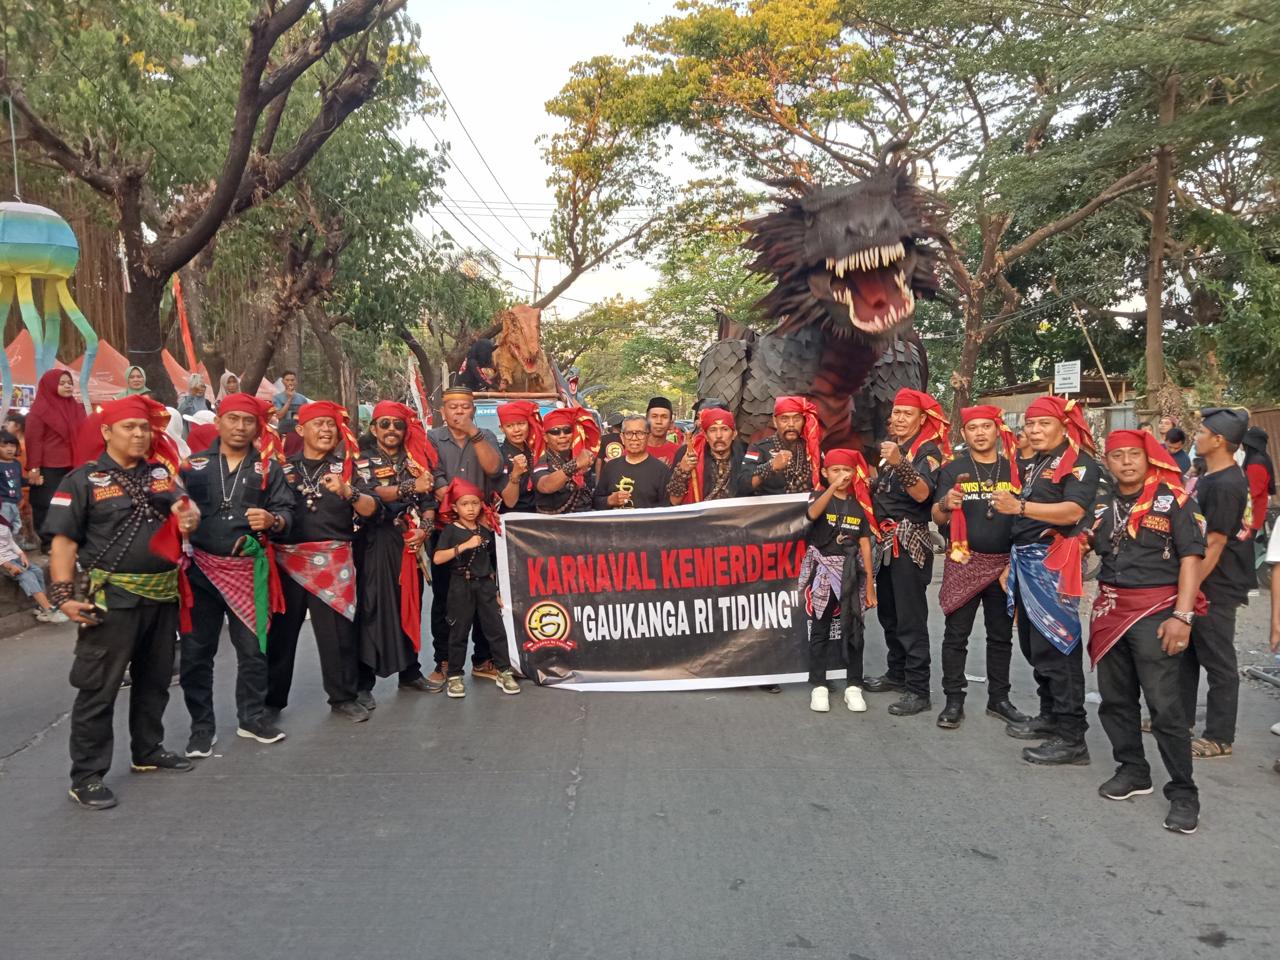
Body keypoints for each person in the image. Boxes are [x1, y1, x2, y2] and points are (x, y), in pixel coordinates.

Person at [46, 395, 201, 809]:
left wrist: (188, 516)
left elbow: (186, 508)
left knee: (155, 680)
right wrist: (62, 598)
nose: (138, 434)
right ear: (106, 433)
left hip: (161, 595)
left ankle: (147, 750)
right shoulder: (81, 481)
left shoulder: (159, 475)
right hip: (111, 599)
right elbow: (62, 543)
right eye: (129, 427)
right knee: (99, 686)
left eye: (143, 428)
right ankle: (87, 775)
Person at [1088, 429, 1204, 834]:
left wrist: (1183, 616)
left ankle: (1184, 793)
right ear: (1108, 461)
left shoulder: (1174, 500)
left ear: (1147, 456)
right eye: (1117, 456)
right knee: (1115, 699)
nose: (1126, 462)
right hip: (1109, 608)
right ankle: (1133, 770)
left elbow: (1191, 559)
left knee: (1164, 707)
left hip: (1157, 610)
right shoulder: (1101, 501)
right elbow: (1086, 544)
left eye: (1133, 454)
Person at [179, 393, 294, 758]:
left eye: (248, 421)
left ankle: (252, 718)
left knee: (253, 651)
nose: (240, 427)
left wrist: (273, 520)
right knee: (197, 653)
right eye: (233, 419)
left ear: (257, 426)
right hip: (200, 570)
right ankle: (202, 727)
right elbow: (170, 509)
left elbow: (287, 511)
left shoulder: (268, 467)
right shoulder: (191, 466)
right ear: (219, 422)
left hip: (248, 572)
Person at [991, 395, 1100, 765]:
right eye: (1031, 425)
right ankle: (1050, 715)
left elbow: (1073, 510)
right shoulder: (1038, 463)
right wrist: (1011, 559)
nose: (1035, 431)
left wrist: (1019, 506)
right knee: (1034, 646)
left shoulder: (1080, 464)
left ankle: (1072, 737)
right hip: (1025, 561)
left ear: (1063, 426)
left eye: (1044, 424)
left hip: (1054, 564)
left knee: (1059, 646)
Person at [267, 401, 378, 722]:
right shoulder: (280, 467)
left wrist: (350, 493)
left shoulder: (349, 468)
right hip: (287, 558)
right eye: (319, 424)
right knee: (281, 635)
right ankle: (271, 700)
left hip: (333, 558)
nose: (327, 430)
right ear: (301, 430)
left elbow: (373, 510)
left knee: (338, 634)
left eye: (331, 425)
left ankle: (343, 696)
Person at [931, 405, 1029, 730]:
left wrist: (1013, 562)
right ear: (965, 433)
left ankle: (999, 700)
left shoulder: (1014, 469)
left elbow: (1025, 516)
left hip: (1004, 564)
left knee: (1000, 636)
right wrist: (946, 503)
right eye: (974, 428)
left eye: (986, 427)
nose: (980, 433)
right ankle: (953, 700)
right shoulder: (953, 469)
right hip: (963, 561)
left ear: (997, 430)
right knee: (955, 635)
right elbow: (937, 516)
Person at [863, 388, 948, 716]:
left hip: (909, 540)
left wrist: (899, 463)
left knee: (911, 618)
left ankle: (918, 689)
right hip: (885, 540)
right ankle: (896, 673)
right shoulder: (894, 448)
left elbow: (922, 494)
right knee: (890, 614)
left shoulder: (926, 451)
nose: (898, 418)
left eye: (906, 414)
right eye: (896, 412)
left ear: (921, 419)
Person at [1179, 407, 1253, 760]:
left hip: (1217, 584)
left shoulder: (1226, 484)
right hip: (1202, 579)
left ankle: (1220, 736)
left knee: (1219, 660)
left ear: (1219, 440)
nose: (1196, 437)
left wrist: (1190, 589)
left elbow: (1216, 543)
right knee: (1188, 653)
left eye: (1202, 432)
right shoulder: (1211, 475)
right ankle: (1181, 718)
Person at [428, 385, 506, 685]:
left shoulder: (485, 437)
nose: (459, 412)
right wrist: (455, 502)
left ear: (473, 409)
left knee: (484, 596)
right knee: (445, 599)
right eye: (453, 407)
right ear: (442, 410)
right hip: (446, 529)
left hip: (481, 527)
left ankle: (483, 659)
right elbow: (433, 476)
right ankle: (445, 661)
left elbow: (495, 469)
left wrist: (473, 431)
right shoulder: (433, 438)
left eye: (465, 406)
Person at [359, 400, 438, 695]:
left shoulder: (415, 460)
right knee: (372, 607)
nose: (392, 430)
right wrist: (408, 488)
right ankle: (363, 680)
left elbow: (429, 503)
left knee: (411, 605)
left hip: (410, 545)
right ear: (374, 428)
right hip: (374, 542)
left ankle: (410, 671)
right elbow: (370, 492)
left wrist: (424, 530)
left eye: (398, 425)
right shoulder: (362, 458)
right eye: (385, 424)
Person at [801, 449, 878, 714]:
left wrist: (869, 585)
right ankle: (819, 685)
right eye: (836, 470)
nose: (842, 476)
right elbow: (811, 514)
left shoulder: (858, 505)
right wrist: (831, 487)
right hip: (823, 572)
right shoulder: (819, 497)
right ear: (825, 472)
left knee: (854, 628)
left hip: (851, 573)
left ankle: (853, 685)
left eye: (847, 471)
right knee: (820, 628)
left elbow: (865, 544)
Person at [432, 477, 521, 698]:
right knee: (459, 631)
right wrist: (463, 546)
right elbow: (437, 558)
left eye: (474, 503)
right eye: (464, 504)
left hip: (485, 586)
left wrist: (496, 590)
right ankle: (454, 675)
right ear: (454, 507)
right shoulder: (451, 530)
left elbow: (490, 564)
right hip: (461, 584)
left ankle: (503, 670)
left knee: (495, 629)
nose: (470, 508)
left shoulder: (485, 529)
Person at [27, 369, 87, 551]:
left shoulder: (76, 407)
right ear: (51, 385)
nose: (68, 386)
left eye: (69, 382)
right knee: (47, 504)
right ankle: (49, 542)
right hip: (48, 466)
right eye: (62, 383)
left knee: (73, 503)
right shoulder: (40, 410)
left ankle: (71, 539)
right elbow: (33, 440)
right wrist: (34, 468)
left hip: (73, 464)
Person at [739, 396, 823, 497]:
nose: (791, 424)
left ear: (804, 421)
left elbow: (826, 479)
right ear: (775, 421)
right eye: (784, 419)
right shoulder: (759, 448)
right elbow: (742, 486)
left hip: (807, 509)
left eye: (797, 419)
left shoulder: (811, 449)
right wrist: (770, 466)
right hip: (772, 510)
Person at [667, 407, 746, 504]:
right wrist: (683, 471)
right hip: (701, 517)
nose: (719, 435)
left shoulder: (745, 458)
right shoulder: (689, 454)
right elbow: (674, 501)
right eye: (713, 430)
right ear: (706, 436)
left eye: (724, 429)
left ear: (734, 434)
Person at [595, 415, 673, 509]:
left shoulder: (661, 470)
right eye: (629, 433)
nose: (634, 438)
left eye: (640, 433)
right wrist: (610, 500)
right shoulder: (610, 467)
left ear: (648, 436)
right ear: (622, 437)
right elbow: (595, 502)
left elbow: (667, 509)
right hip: (615, 523)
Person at [533, 407, 599, 514]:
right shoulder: (541, 459)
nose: (562, 436)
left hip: (584, 517)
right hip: (554, 525)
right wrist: (575, 464)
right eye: (555, 432)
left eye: (567, 430)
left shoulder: (580, 454)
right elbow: (545, 486)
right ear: (545, 437)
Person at [0, 515, 66, 621]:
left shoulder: (3, 522)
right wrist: (9, 566)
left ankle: (40, 607)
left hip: (14, 557)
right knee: (27, 576)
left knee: (38, 571)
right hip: (4, 563)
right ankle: (48, 609)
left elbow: (10, 542)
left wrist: (22, 554)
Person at [497, 400, 543, 514]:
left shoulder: (535, 450)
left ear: (528, 424)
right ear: (502, 429)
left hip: (540, 513)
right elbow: (509, 502)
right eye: (509, 426)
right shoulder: (500, 455)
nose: (516, 430)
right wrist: (515, 474)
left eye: (521, 424)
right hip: (514, 518)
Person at [1241, 426, 1274, 537]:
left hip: (1252, 517)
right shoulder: (1257, 459)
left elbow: (1252, 493)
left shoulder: (1256, 463)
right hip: (1252, 515)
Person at [271, 371, 309, 436]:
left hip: (299, 433)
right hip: (283, 432)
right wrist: (289, 399)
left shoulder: (302, 399)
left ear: (296, 381)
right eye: (287, 380)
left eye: (292, 380)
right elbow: (279, 415)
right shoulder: (277, 398)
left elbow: (307, 417)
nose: (290, 382)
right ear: (283, 381)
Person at [645, 397, 681, 465]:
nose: (659, 422)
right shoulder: (634, 448)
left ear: (670, 423)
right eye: (654, 416)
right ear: (646, 420)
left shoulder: (679, 453)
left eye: (664, 417)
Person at [0, 429, 24, 530]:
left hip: (16, 502)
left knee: (16, 527)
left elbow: (19, 481)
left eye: (12, 446)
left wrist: (31, 482)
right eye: (4, 446)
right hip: (3, 504)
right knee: (4, 529)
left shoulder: (16, 463)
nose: (9, 449)